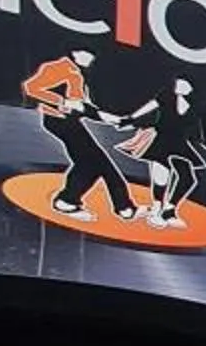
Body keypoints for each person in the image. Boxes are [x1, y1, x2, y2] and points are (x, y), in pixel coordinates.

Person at [20, 50, 135, 222]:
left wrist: (111, 119)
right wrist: (62, 102)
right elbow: (31, 87)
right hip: (58, 120)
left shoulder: (78, 73)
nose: (92, 59)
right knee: (97, 162)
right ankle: (120, 206)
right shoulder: (59, 68)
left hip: (71, 122)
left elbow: (81, 106)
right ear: (76, 52)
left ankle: (121, 206)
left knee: (90, 164)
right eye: (89, 54)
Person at [123, 78, 206, 228]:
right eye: (177, 83)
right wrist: (129, 119)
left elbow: (205, 122)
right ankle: (157, 207)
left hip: (179, 144)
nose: (177, 86)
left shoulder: (198, 105)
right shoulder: (166, 96)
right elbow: (149, 106)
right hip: (159, 140)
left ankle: (169, 209)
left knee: (188, 178)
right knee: (161, 178)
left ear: (191, 87)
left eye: (182, 83)